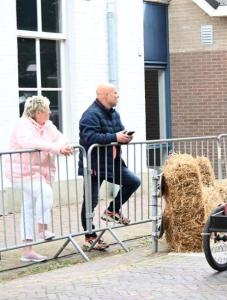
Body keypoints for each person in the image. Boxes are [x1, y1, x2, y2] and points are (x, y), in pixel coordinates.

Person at [6, 95, 73, 262]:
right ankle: (43, 229)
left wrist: (66, 145)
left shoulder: (47, 125)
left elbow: (59, 137)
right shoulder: (23, 126)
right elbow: (32, 143)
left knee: (28, 208)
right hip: (20, 173)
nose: (50, 112)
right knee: (45, 192)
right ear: (36, 112)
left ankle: (27, 250)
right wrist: (57, 148)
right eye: (46, 110)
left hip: (37, 173)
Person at [78, 83, 141, 250]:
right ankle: (89, 236)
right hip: (94, 165)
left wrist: (125, 137)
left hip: (112, 162)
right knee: (91, 201)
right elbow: (89, 137)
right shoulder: (90, 115)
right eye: (115, 93)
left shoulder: (114, 114)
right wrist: (115, 137)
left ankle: (112, 210)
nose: (117, 96)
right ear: (104, 95)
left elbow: (119, 132)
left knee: (133, 181)